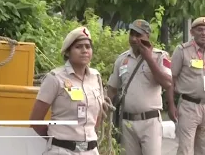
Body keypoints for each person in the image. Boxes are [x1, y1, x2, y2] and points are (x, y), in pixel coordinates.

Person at [29, 27, 105, 155]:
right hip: (62, 150)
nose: (84, 50)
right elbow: (35, 120)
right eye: (78, 47)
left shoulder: (95, 77)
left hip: (91, 150)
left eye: (88, 46)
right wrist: (55, 140)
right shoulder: (55, 78)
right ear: (68, 52)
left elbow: (97, 116)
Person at [107, 19, 172, 155]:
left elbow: (167, 83)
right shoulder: (122, 59)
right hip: (127, 122)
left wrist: (148, 58)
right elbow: (112, 89)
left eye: (138, 35)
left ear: (147, 36)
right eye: (132, 34)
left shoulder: (160, 56)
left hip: (150, 121)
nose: (134, 38)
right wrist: (106, 115)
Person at [168, 17, 205, 155]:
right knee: (185, 149)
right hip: (189, 106)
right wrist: (171, 105)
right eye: (200, 30)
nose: (203, 33)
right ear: (192, 32)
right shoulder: (182, 50)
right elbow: (171, 79)